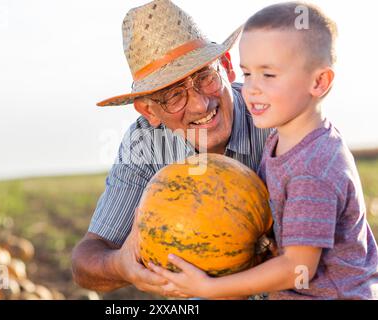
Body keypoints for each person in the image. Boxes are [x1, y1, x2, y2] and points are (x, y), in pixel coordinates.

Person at [149, 2, 378, 299]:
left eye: (268, 75)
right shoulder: (282, 141)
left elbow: (299, 267)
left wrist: (211, 288)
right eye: (247, 74)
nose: (252, 89)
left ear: (319, 82)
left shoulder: (314, 167)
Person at [71, 0, 272, 297]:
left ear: (227, 67)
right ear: (148, 111)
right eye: (174, 95)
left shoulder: (277, 117)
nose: (200, 104)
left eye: (205, 77)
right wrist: (121, 265)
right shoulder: (145, 143)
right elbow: (84, 261)